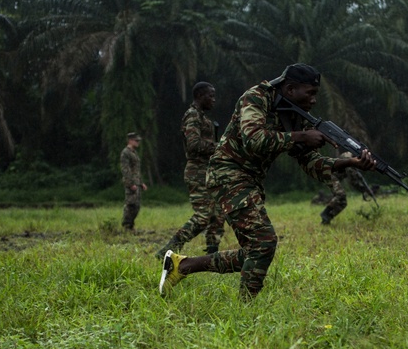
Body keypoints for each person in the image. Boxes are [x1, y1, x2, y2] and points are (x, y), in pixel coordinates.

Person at [158, 63, 377, 300]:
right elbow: (254, 139)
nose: (314, 100)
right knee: (264, 242)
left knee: (256, 250)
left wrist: (350, 163)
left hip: (250, 180)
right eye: (310, 93)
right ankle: (246, 310)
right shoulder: (255, 98)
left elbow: (309, 162)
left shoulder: (295, 113)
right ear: (291, 89)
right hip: (228, 173)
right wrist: (301, 136)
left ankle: (183, 266)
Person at [155, 82, 225, 257]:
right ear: (200, 96)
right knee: (203, 216)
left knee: (218, 213)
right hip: (197, 172)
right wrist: (218, 147)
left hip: (209, 172)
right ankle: (170, 249)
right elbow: (193, 145)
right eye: (211, 96)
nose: (213, 100)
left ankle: (212, 253)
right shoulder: (192, 116)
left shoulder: (202, 117)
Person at [319, 150, 374, 225]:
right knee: (340, 194)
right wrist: (364, 190)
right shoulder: (348, 157)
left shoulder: (350, 157)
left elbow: (354, 178)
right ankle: (325, 213)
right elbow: (353, 181)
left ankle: (328, 217)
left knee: (343, 203)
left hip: (332, 176)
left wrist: (364, 189)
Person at [119, 132, 147, 230]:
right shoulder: (125, 153)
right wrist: (130, 184)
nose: (138, 142)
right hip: (131, 184)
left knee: (137, 205)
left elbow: (136, 170)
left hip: (137, 183)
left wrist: (141, 182)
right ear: (130, 140)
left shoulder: (133, 152)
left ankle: (131, 225)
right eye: (136, 140)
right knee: (131, 205)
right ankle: (127, 225)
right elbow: (125, 170)